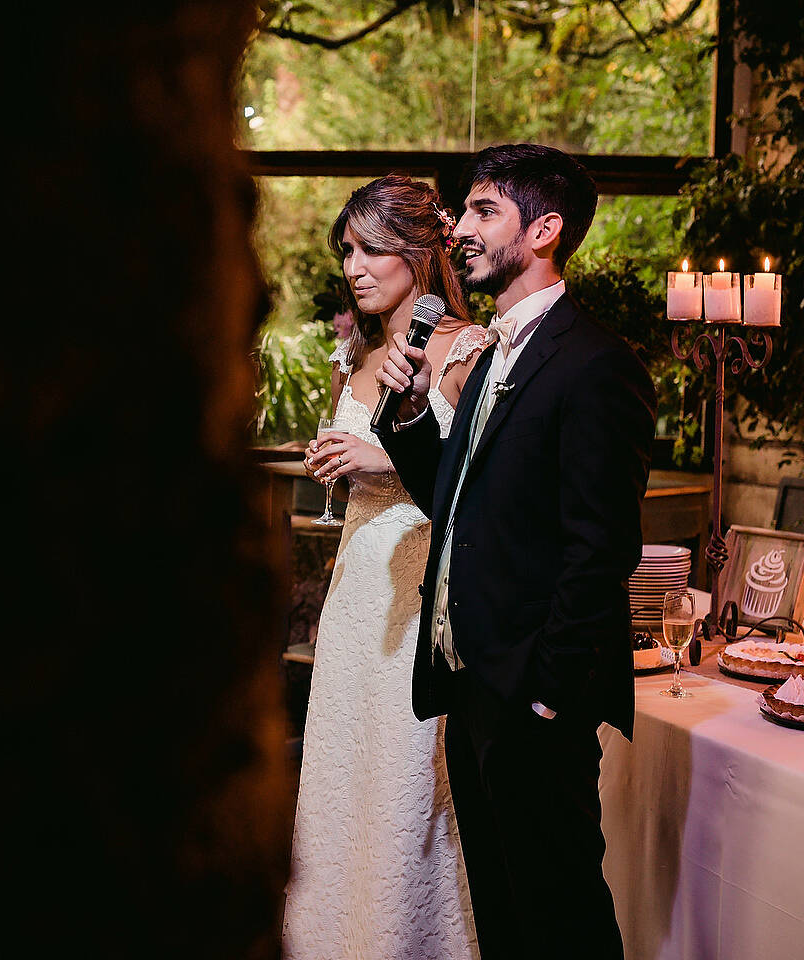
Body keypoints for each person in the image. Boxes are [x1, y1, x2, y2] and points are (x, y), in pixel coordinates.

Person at [375, 144, 657, 960]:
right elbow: (456, 506)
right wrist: (410, 413)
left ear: (545, 229)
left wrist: (548, 696)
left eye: (482, 211)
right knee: (502, 909)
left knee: (559, 913)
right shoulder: (494, 350)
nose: (459, 229)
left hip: (533, 692)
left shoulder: (598, 363)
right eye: (463, 211)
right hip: (472, 682)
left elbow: (600, 551)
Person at [282, 175, 490, 960]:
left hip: (419, 593)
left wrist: (384, 460)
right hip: (354, 594)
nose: (355, 267)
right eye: (348, 251)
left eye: (371, 250)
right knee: (343, 778)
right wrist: (337, 461)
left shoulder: (465, 351)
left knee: (407, 788)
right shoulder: (361, 358)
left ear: (417, 252)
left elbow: (480, 491)